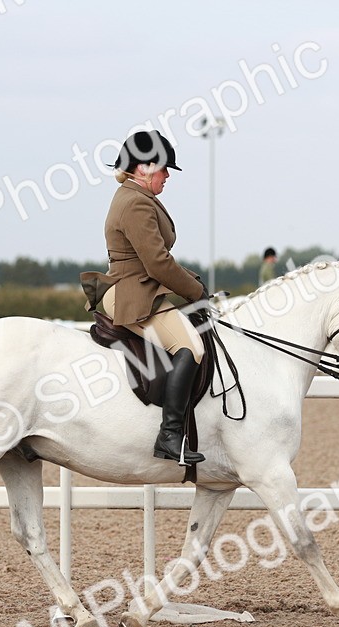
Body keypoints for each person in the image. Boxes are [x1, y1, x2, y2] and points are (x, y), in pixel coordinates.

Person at [80, 130, 208, 465]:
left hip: (137, 285)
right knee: (192, 347)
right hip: (131, 292)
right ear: (143, 166)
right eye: (164, 168)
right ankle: (170, 436)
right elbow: (157, 262)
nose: (167, 175)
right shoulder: (135, 201)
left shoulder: (135, 196)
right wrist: (196, 291)